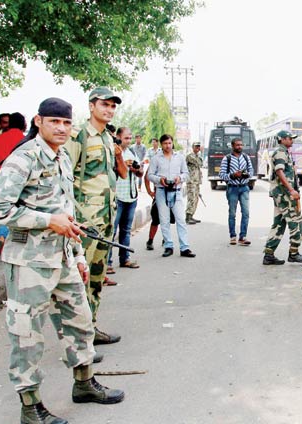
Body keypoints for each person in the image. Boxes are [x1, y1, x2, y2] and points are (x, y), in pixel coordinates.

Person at [0, 97, 124, 423]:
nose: (61, 128)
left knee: (80, 321)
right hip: (29, 262)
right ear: (38, 121)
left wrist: (78, 257)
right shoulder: (25, 158)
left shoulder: (60, 157)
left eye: (66, 123)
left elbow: (65, 212)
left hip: (62, 257)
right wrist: (47, 221)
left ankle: (84, 383)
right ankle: (31, 407)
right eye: (54, 122)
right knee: (28, 336)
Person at [63, 87, 128, 346]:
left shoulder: (107, 139)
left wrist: (120, 155)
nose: (109, 110)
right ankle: (79, 340)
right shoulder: (78, 136)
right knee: (81, 278)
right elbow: (63, 178)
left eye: (113, 106)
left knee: (98, 277)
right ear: (92, 106)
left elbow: (120, 174)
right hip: (84, 221)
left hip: (106, 219)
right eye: (105, 104)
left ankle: (91, 328)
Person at [0, 112, 27, 261]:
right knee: (18, 215)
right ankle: (5, 239)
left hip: (2, 183)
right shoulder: (27, 140)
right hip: (22, 185)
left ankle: (2, 238)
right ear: (24, 125)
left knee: (6, 213)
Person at [148, 134, 195, 258]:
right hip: (161, 191)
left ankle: (185, 247)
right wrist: (160, 179)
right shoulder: (156, 158)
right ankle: (168, 246)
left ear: (172, 143)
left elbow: (186, 173)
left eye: (169, 143)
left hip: (176, 191)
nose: (168, 146)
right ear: (161, 145)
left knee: (180, 219)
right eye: (165, 143)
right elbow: (150, 175)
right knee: (164, 220)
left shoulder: (179, 157)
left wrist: (180, 178)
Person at [263, 130, 302, 265]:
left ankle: (269, 254)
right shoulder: (280, 152)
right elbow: (279, 171)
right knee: (296, 222)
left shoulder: (284, 152)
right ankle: (294, 253)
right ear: (281, 139)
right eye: (289, 138)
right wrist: (291, 190)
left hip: (281, 193)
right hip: (284, 194)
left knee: (279, 223)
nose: (292, 140)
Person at [107, 127, 143, 272]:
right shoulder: (111, 151)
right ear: (118, 137)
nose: (128, 141)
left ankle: (125, 258)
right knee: (112, 230)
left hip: (131, 196)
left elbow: (140, 172)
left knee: (126, 230)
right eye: (126, 138)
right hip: (117, 196)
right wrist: (121, 164)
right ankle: (107, 263)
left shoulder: (132, 152)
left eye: (130, 138)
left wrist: (135, 169)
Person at [219, 137, 254, 245]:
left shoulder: (246, 157)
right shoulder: (227, 159)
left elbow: (251, 170)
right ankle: (233, 236)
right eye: (237, 145)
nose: (240, 147)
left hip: (244, 188)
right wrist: (233, 175)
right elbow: (222, 174)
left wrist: (247, 174)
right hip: (232, 188)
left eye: (241, 145)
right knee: (232, 213)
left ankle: (243, 236)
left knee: (246, 213)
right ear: (233, 146)